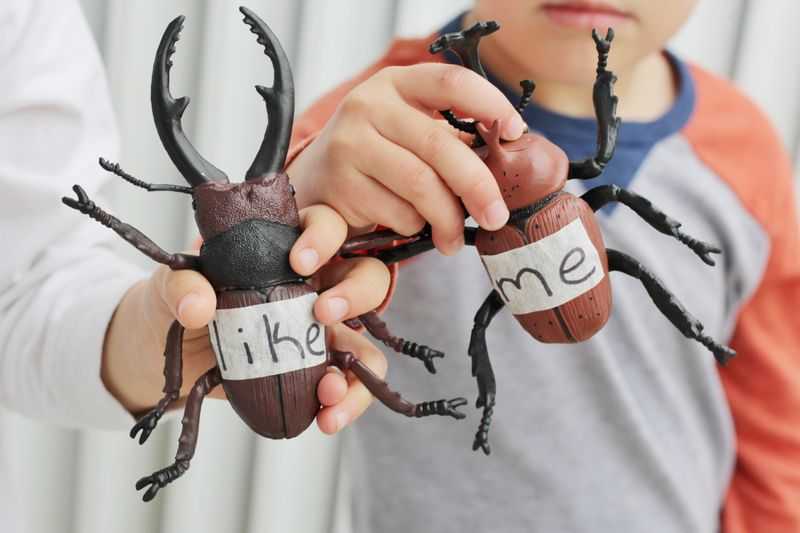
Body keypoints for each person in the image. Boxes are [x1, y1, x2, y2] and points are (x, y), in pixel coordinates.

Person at [286, 1, 800, 531]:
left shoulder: (743, 152)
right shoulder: (357, 141)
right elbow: (219, 324)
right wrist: (298, 209)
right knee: (501, 320)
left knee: (501, 318)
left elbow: (780, 421)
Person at [0, 0, 391, 528]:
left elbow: (25, 282)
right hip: (280, 373)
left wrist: (141, 335)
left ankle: (179, 461)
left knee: (210, 381)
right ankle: (180, 459)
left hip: (250, 368)